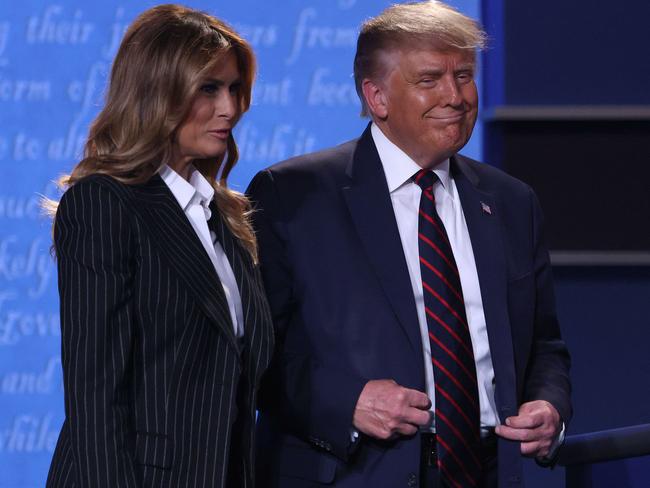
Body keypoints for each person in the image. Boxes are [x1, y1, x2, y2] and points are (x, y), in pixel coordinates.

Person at [247, 1, 571, 487]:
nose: (455, 96)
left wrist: (550, 405)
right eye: (429, 79)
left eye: (463, 75)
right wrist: (348, 401)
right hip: (356, 472)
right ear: (376, 97)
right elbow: (255, 354)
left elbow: (545, 344)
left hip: (486, 472)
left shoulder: (510, 201)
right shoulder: (292, 195)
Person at [45, 5, 273, 488]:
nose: (229, 108)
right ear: (156, 92)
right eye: (208, 89)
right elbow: (96, 398)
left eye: (234, 89)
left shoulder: (224, 216)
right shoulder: (105, 203)